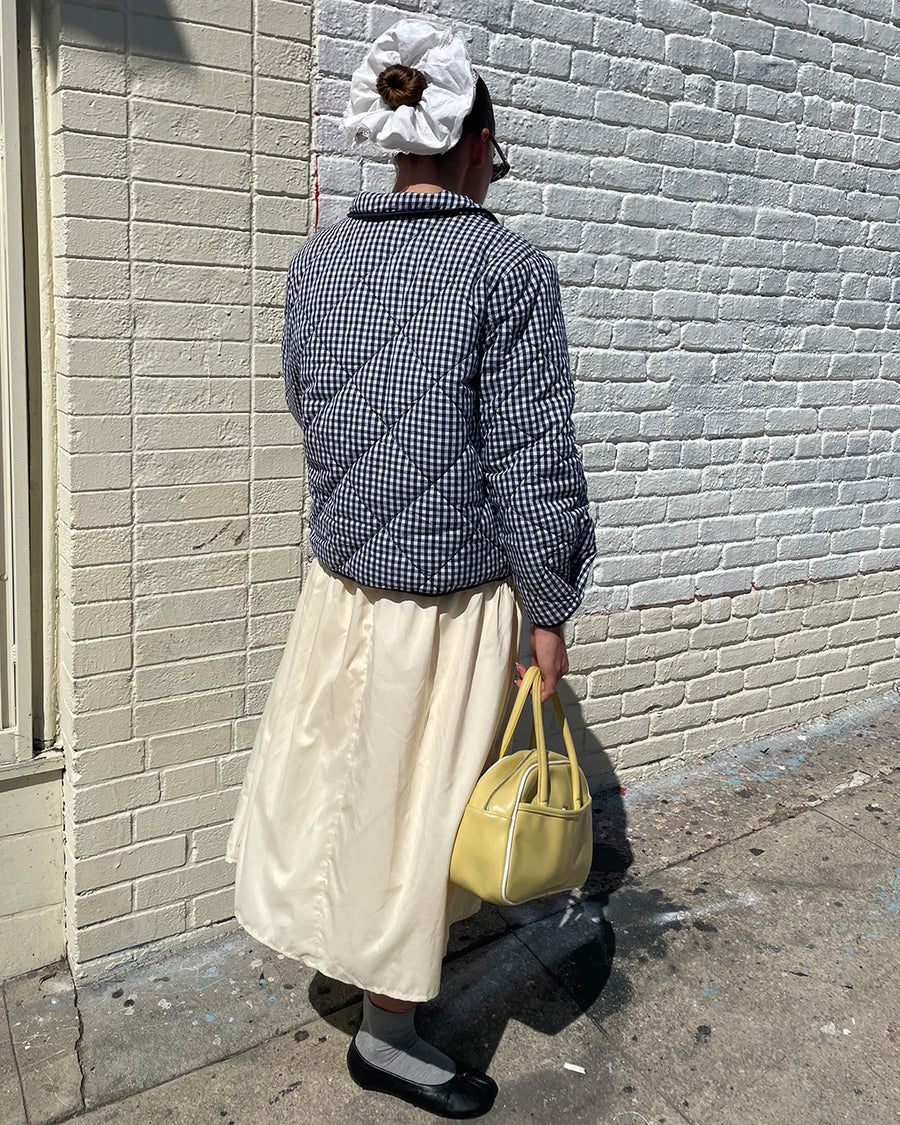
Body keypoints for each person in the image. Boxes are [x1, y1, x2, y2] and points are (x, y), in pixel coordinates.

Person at [225, 16, 595, 1119]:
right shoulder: (506, 266)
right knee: (422, 807)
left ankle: (352, 957)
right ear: (475, 140)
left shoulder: (320, 260)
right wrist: (549, 603)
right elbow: (533, 455)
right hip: (450, 598)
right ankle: (390, 1034)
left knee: (347, 783)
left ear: (393, 141)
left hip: (342, 586)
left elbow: (314, 410)